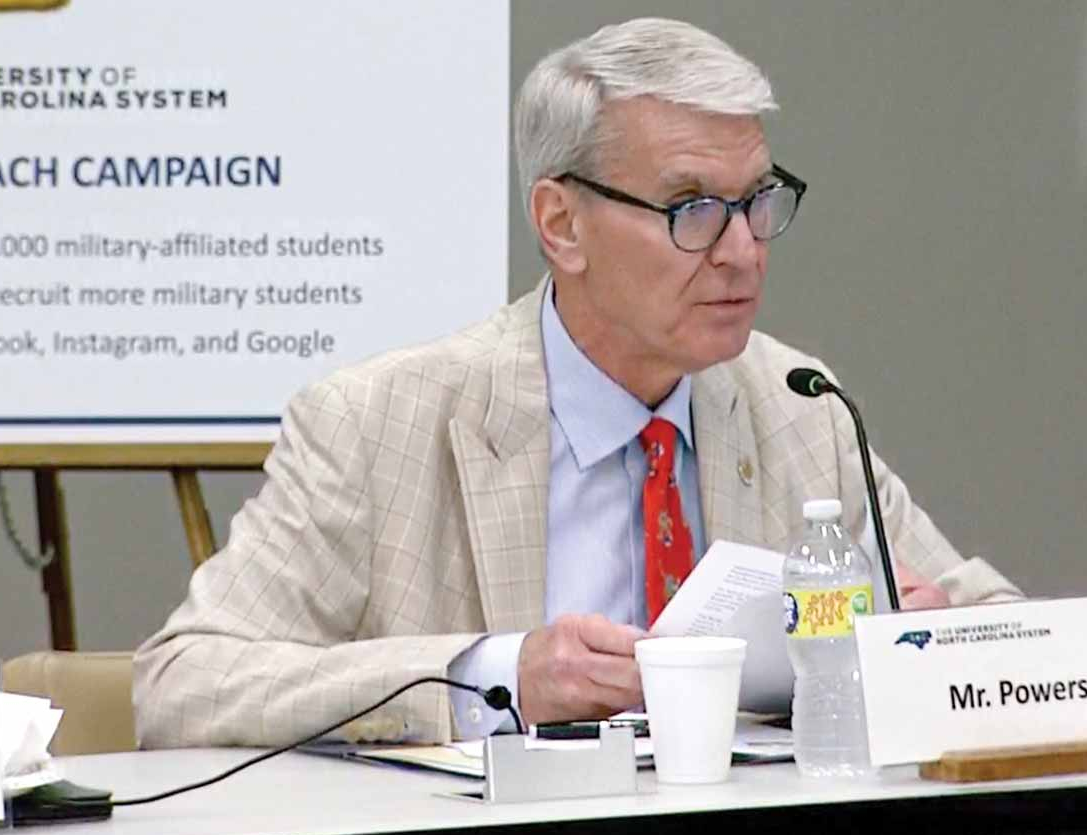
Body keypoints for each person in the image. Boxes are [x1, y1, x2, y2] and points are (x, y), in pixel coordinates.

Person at [133, 18, 1020, 749]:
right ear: (562, 225)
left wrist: (931, 640)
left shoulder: (795, 404)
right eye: (693, 210)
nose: (745, 249)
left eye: (757, 200)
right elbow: (183, 684)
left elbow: (1004, 629)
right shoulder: (379, 423)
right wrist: (495, 677)